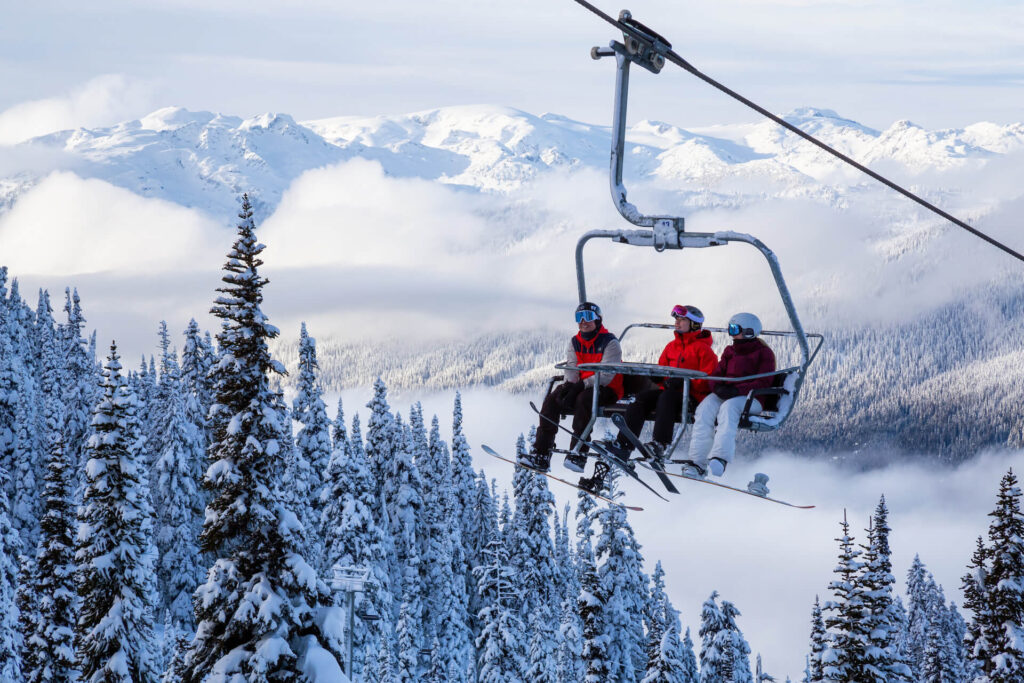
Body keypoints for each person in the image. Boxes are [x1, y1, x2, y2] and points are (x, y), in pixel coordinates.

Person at [520, 301, 623, 477]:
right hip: (582, 386)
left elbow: (606, 375)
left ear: (598, 320)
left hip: (608, 388)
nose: (583, 321)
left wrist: (580, 386)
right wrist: (569, 386)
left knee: (584, 399)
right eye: (579, 317)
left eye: (589, 317)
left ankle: (578, 452)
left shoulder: (610, 342)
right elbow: (572, 367)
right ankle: (541, 452)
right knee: (553, 400)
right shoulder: (575, 342)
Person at [604, 304, 717, 462]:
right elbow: (662, 368)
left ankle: (660, 444)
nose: (677, 322)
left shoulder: (703, 350)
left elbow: (709, 379)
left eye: (682, 319)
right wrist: (658, 377)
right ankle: (623, 445)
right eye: (676, 319)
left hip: (692, 397)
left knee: (667, 397)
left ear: (694, 324)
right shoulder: (671, 347)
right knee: (642, 398)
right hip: (670, 393)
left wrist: (687, 384)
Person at [680, 312, 775, 479]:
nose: (731, 333)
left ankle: (720, 458)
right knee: (704, 409)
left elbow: (764, 382)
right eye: (729, 329)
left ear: (748, 331)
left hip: (752, 399)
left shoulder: (764, 353)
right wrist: (717, 387)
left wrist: (737, 390)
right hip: (728, 394)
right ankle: (697, 463)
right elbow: (716, 374)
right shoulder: (730, 351)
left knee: (728, 409)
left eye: (734, 329)